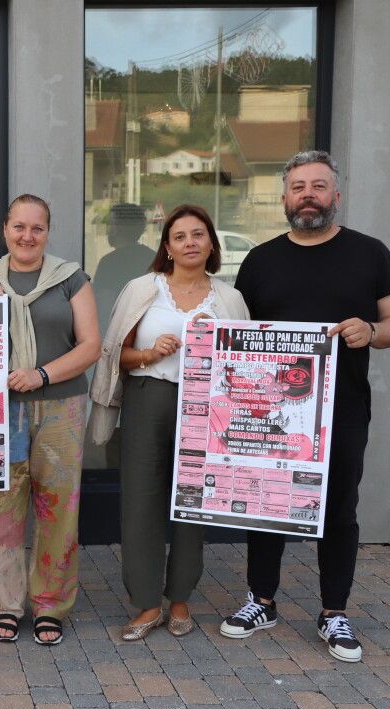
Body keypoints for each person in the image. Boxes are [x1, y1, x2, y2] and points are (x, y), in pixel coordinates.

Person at [219, 151, 390, 662]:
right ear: (284, 198)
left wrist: (370, 331)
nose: (308, 195)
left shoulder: (370, 253)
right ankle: (261, 600)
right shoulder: (260, 259)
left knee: (339, 507)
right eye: (299, 186)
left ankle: (334, 612)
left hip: (342, 406)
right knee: (267, 504)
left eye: (318, 186)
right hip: (273, 414)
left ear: (335, 196)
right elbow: (236, 335)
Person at [88, 205, 249, 641]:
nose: (190, 242)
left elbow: (248, 366)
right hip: (148, 398)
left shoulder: (229, 299)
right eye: (180, 236)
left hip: (205, 409)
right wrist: (149, 353)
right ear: (168, 247)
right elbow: (112, 355)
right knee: (141, 501)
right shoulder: (142, 290)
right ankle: (145, 603)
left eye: (199, 234)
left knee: (192, 502)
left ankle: (180, 599)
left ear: (212, 243)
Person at [0, 194, 100, 645]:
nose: (27, 236)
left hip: (60, 406)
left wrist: (41, 375)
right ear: (5, 229)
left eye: (36, 228)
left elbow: (90, 346)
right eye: (19, 227)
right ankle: (4, 604)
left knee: (57, 507)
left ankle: (49, 605)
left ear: (47, 232)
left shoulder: (70, 278)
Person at [92, 202, 156, 336]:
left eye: (110, 224)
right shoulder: (153, 258)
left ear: (116, 228)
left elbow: (103, 308)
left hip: (117, 335)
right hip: (148, 333)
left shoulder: (109, 263)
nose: (108, 229)